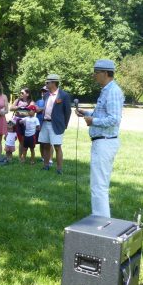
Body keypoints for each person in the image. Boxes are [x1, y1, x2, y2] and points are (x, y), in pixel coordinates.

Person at [76, 59, 124, 218]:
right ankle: (101, 220)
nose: (94, 76)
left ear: (105, 73)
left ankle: (101, 222)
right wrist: (88, 114)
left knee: (99, 186)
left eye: (96, 73)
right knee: (98, 185)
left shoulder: (113, 91)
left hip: (105, 142)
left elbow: (114, 119)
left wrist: (93, 121)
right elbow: (104, 114)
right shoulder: (106, 90)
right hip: (102, 141)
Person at [39, 74, 72, 174]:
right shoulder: (46, 95)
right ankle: (46, 166)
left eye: (47, 82)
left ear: (53, 83)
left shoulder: (64, 95)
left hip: (56, 124)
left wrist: (64, 125)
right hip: (45, 123)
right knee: (45, 145)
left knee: (57, 146)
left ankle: (59, 169)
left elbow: (68, 112)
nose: (46, 84)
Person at [10, 87, 32, 160]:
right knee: (12, 138)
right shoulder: (18, 100)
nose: (21, 94)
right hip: (16, 121)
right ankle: (11, 156)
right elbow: (11, 108)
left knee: (23, 140)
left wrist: (26, 108)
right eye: (20, 93)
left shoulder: (31, 101)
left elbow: (33, 110)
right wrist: (20, 106)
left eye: (22, 93)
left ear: (27, 94)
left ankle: (22, 157)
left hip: (25, 122)